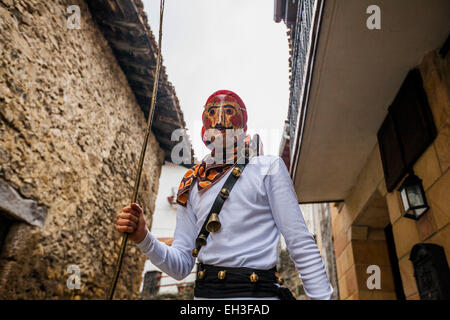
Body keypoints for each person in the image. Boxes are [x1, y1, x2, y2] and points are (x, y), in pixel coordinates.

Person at [116, 90, 334, 300]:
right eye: (212, 112)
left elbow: (300, 244)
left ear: (243, 123)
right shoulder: (192, 183)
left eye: (229, 111)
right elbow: (181, 265)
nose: (219, 119)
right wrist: (143, 237)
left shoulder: (268, 168)